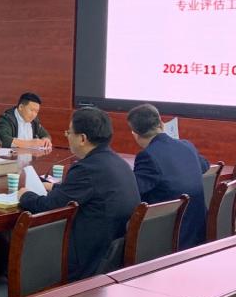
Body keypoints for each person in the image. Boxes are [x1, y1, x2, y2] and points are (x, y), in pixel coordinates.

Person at [19, 107, 139, 281]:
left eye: (69, 132)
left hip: (84, 261)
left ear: (82, 138)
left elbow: (49, 208)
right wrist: (55, 188)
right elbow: (85, 193)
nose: (67, 136)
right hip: (109, 257)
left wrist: (25, 195)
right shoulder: (118, 163)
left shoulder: (86, 168)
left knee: (16, 238)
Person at [127, 104, 210, 250]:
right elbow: (205, 165)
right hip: (198, 233)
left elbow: (133, 193)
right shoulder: (187, 146)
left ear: (135, 134)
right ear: (161, 123)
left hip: (168, 239)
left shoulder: (148, 156)